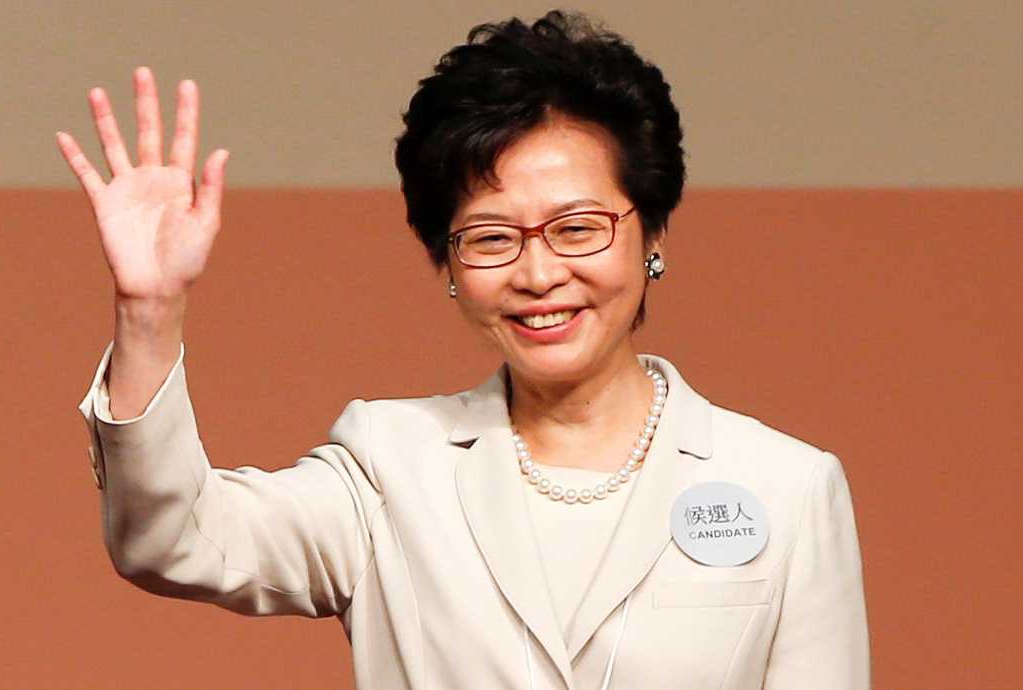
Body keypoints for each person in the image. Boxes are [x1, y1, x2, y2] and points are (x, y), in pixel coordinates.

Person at [58, 10, 868, 689]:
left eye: (578, 227)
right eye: (490, 238)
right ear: (446, 264)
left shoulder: (785, 487)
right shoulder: (389, 466)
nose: (541, 272)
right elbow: (176, 539)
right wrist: (150, 309)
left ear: (651, 232)